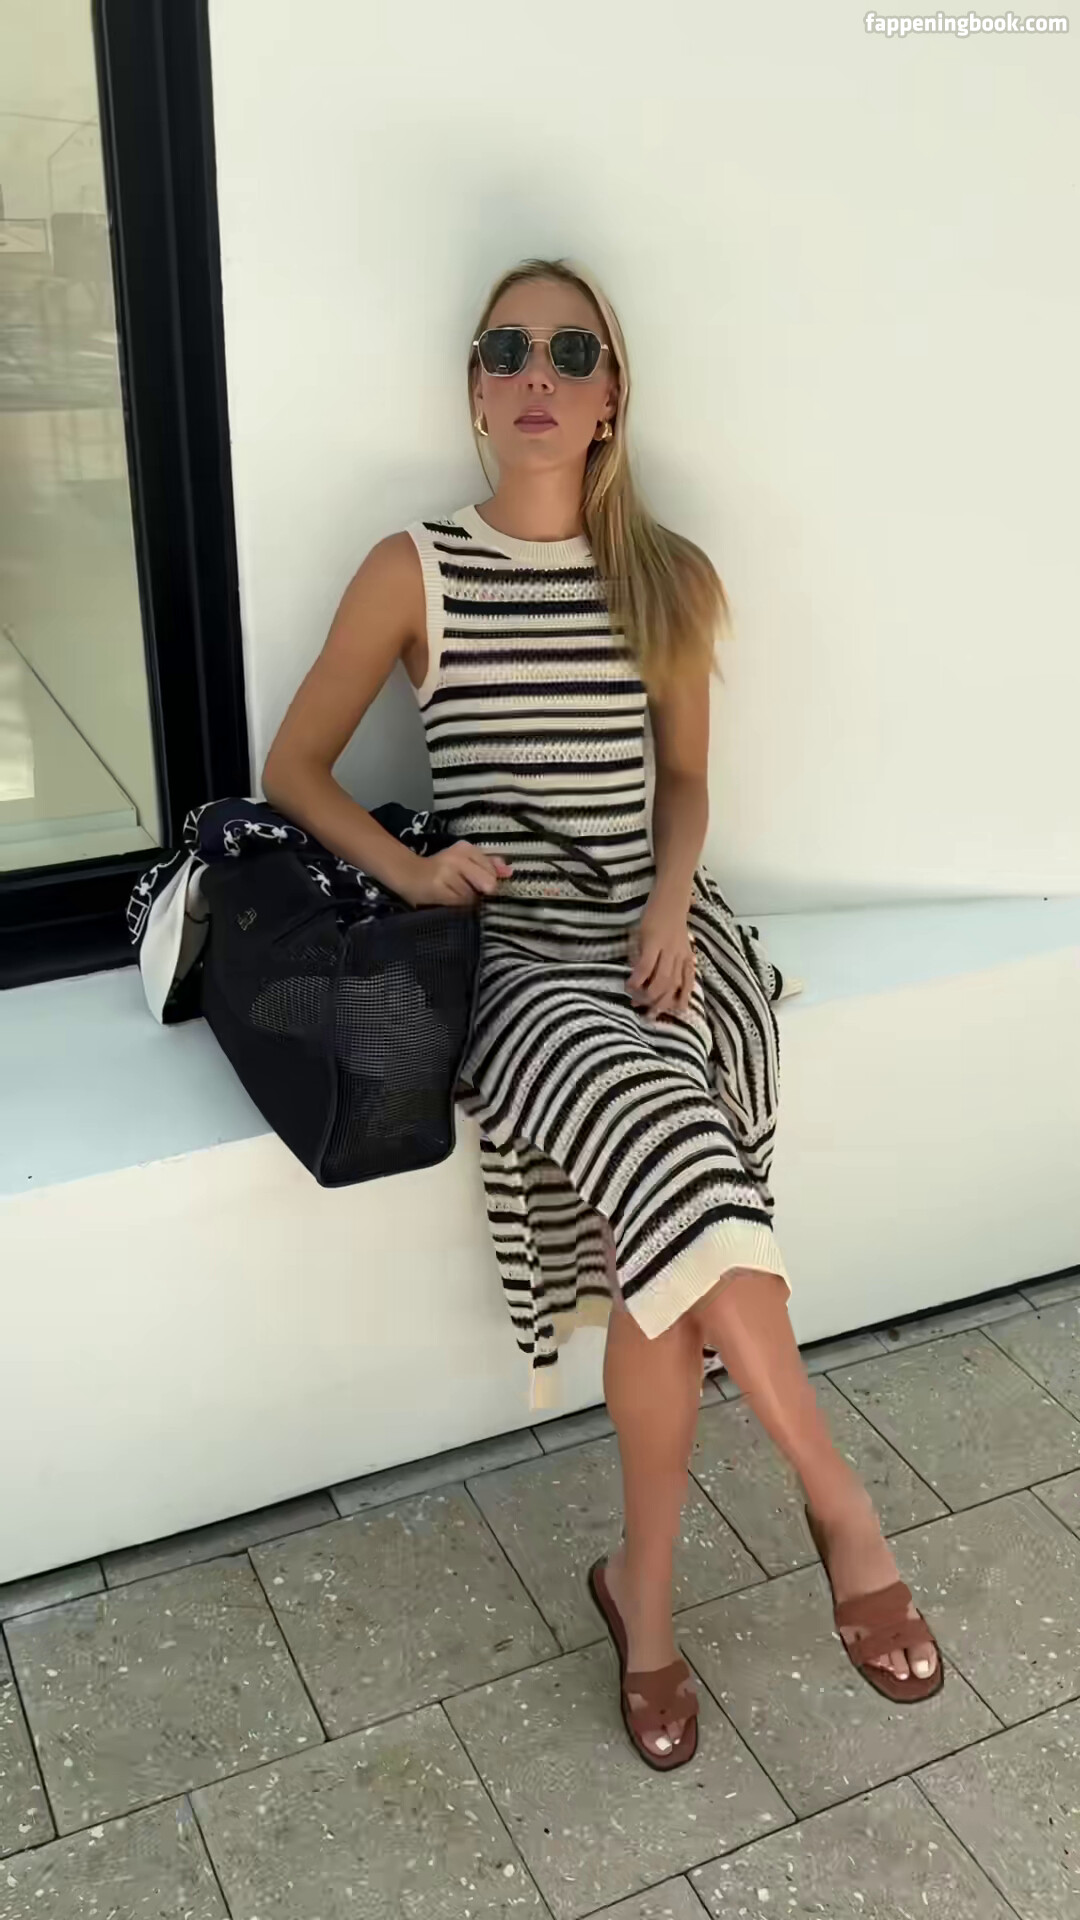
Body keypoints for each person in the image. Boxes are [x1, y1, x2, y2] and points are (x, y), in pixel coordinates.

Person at [263, 256, 942, 1769]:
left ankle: (644, 1601)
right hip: (515, 960)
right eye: (506, 349)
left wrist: (669, 902)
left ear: (611, 395)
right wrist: (415, 870)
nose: (537, 375)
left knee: (664, 1235)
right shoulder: (414, 569)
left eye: (571, 353)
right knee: (670, 1148)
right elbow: (293, 767)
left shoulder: (667, 572)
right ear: (474, 387)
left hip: (657, 931)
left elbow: (685, 782)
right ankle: (844, 1509)